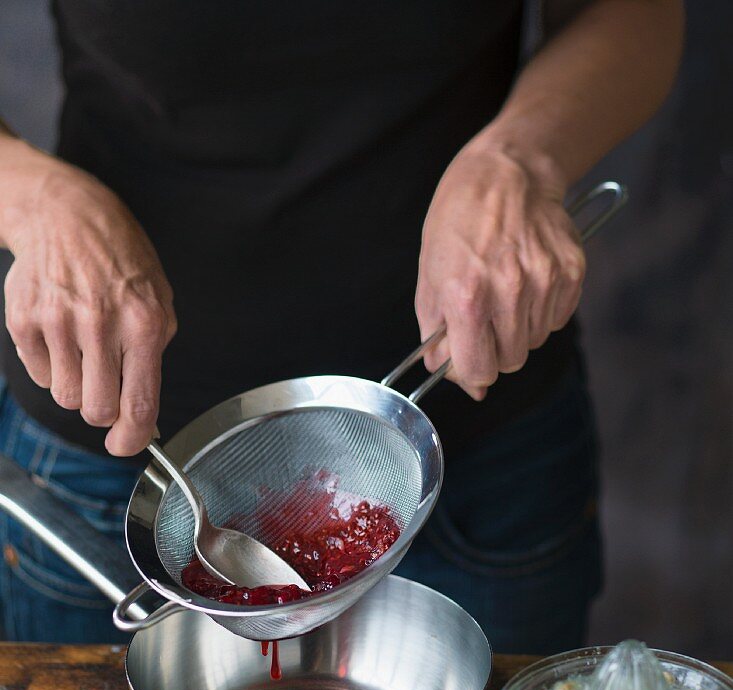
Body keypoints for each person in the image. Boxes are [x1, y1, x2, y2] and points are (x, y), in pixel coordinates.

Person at [0, 1, 683, 650]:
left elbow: (631, 12)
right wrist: (34, 198)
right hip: (107, 467)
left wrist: (521, 159)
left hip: (476, 446)